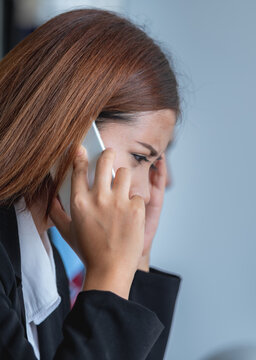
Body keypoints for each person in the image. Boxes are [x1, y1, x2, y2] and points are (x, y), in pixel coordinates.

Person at [0, 9, 180, 359]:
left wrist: (133, 259)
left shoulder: (45, 262)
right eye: (141, 157)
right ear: (72, 127)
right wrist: (110, 278)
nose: (144, 192)